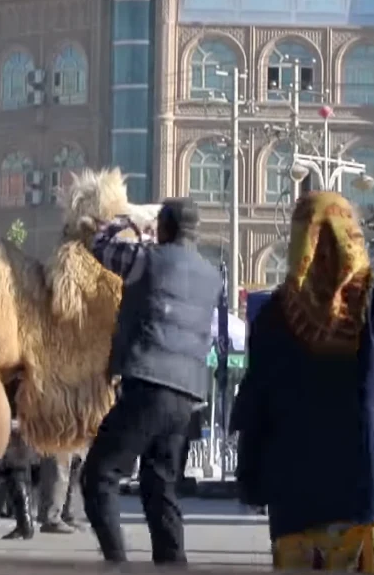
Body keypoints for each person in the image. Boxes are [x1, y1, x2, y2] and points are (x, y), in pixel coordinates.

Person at [230, 192, 374, 573]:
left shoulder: (275, 315)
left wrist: (249, 478)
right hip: (364, 502)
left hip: (293, 506)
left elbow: (255, 405)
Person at [81, 198, 220, 565]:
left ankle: (117, 564)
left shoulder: (146, 259)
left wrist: (129, 217)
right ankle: (173, 565)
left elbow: (98, 243)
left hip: (148, 381)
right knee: (160, 486)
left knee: (99, 475)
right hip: (188, 396)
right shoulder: (211, 276)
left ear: (164, 227)